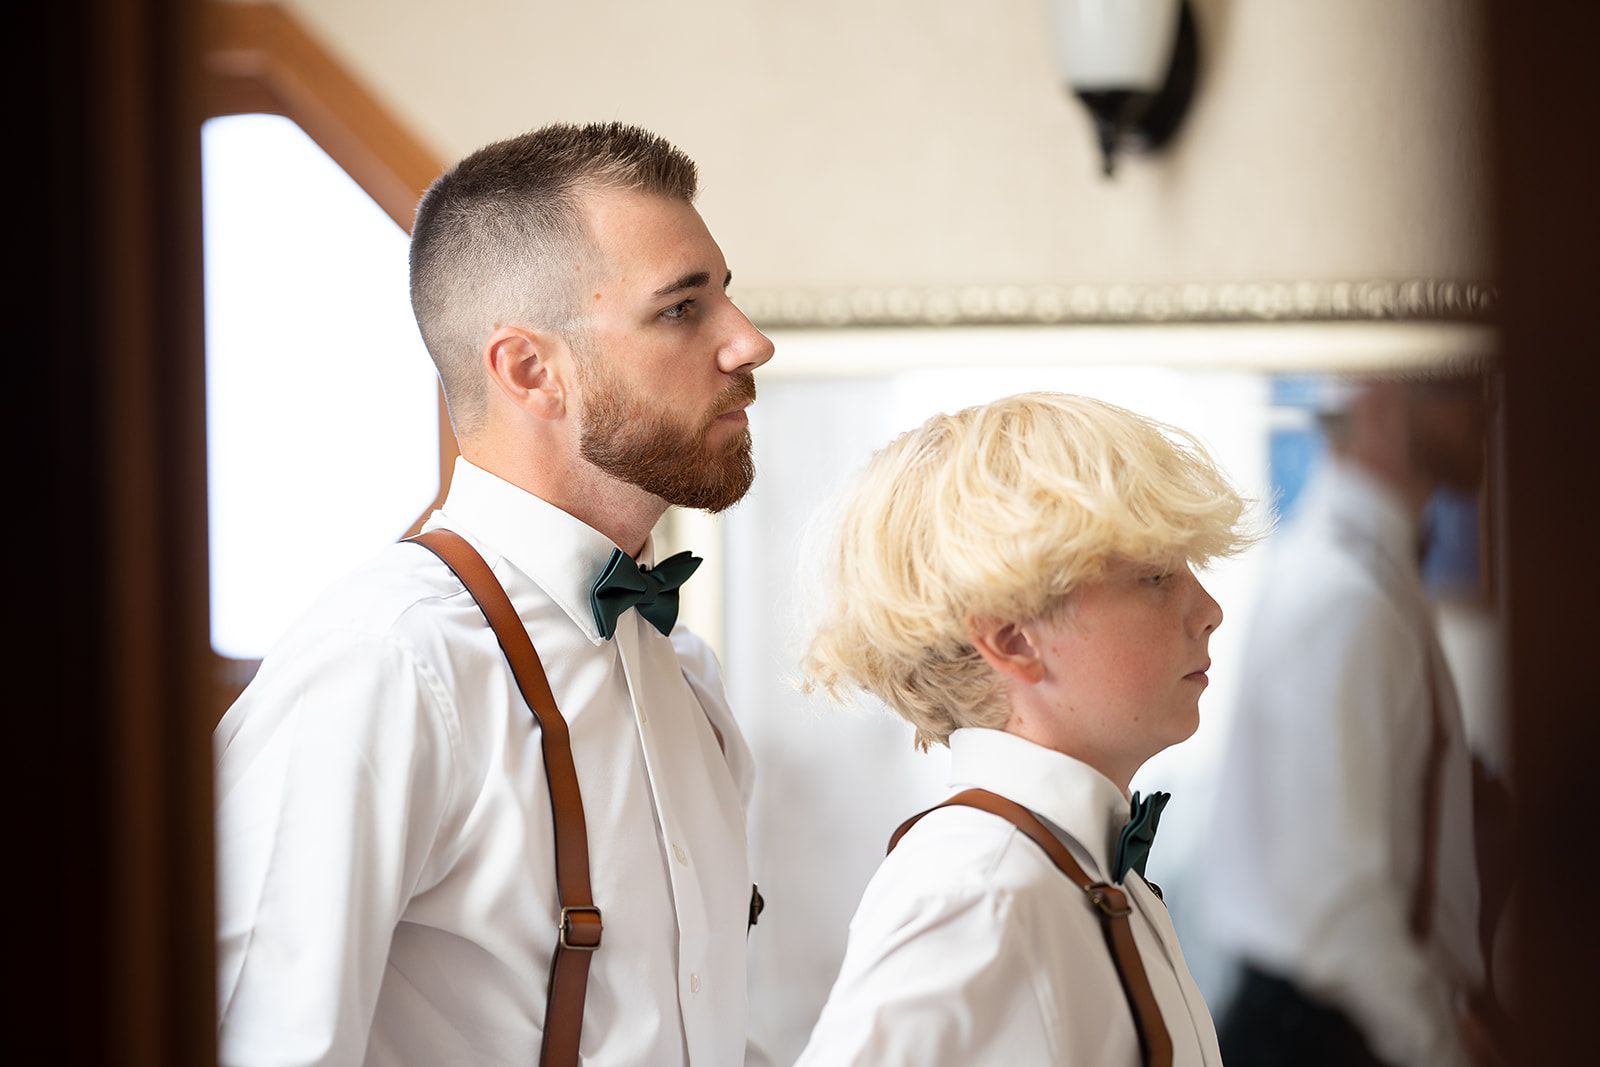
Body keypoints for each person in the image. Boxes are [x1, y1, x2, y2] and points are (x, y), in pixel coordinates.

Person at [213, 122, 775, 1066]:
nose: (749, 343)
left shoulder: (683, 671)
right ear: (529, 371)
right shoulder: (384, 662)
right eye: (682, 309)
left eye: (726, 295)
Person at [794, 392, 1253, 1066]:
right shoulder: (977, 889)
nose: (1208, 609)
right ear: (1011, 637)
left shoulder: (1072, 865)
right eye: (1155, 576)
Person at [1200, 374, 1493, 1067]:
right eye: (1455, 384)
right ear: (1381, 402)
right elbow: (1341, 903)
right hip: (1325, 1036)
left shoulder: (1365, 578)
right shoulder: (1341, 593)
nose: (1487, 403)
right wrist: (1442, 1049)